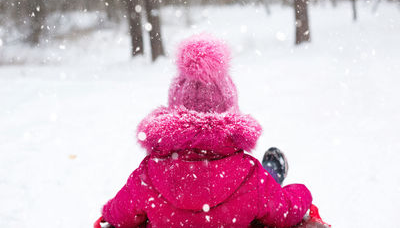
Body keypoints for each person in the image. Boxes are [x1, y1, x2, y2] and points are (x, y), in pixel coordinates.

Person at [96, 34, 312, 228]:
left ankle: (271, 178)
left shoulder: (149, 174)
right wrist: (302, 193)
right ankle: (272, 176)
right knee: (264, 193)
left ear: (171, 115)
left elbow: (118, 215)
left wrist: (108, 211)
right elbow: (287, 212)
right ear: (231, 115)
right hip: (249, 191)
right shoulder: (248, 174)